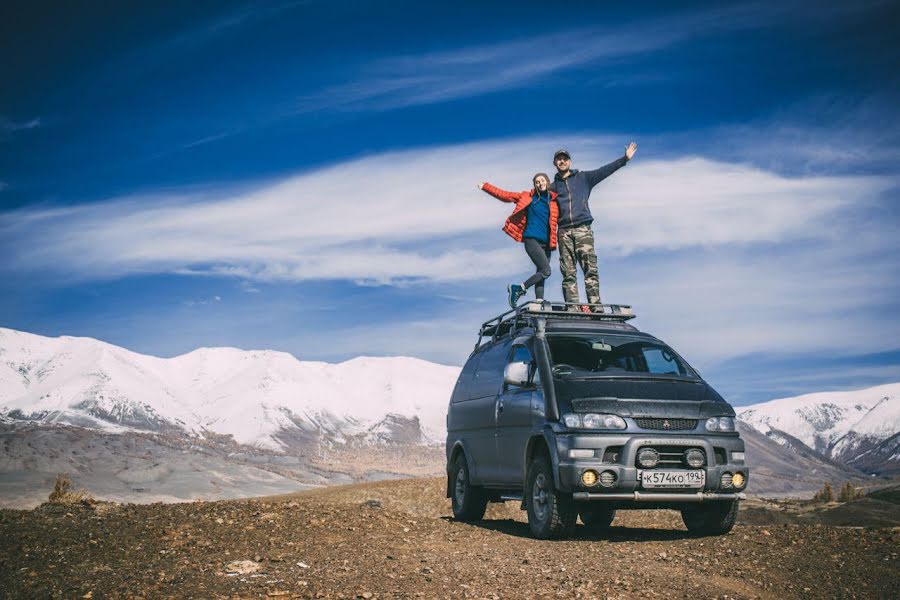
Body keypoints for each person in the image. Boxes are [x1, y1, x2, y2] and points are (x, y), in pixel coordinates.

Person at [550, 142, 637, 312]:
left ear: (570, 162)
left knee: (590, 269)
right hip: (564, 232)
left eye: (565, 159)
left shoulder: (584, 178)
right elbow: (533, 199)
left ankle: (595, 306)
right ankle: (573, 308)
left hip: (583, 230)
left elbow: (605, 170)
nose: (562, 162)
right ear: (555, 163)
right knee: (568, 273)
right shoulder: (553, 187)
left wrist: (624, 159)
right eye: (559, 159)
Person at [478, 173, 559, 308]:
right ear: (535, 185)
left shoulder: (554, 202)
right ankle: (518, 289)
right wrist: (486, 187)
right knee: (546, 271)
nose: (540, 183)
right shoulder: (527, 196)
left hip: (547, 244)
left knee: (541, 273)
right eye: (537, 182)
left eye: (542, 180)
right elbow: (505, 195)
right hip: (532, 239)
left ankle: (539, 301)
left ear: (548, 182)